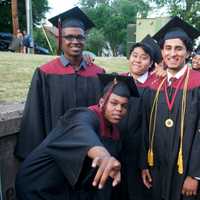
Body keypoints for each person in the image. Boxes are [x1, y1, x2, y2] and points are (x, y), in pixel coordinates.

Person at [15, 74, 139, 200]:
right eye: (114, 103)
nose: (119, 109)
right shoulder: (83, 116)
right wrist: (103, 156)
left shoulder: (114, 132)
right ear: (102, 102)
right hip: (38, 183)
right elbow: (82, 131)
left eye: (124, 106)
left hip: (63, 187)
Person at [15, 7, 105, 160]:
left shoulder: (98, 74)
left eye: (80, 37)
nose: (75, 41)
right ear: (60, 39)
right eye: (69, 37)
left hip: (91, 156)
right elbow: (35, 116)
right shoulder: (45, 73)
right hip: (55, 154)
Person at [141, 16, 200, 200]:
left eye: (179, 48)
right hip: (156, 168)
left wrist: (195, 175)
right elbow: (144, 126)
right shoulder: (153, 85)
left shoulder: (197, 83)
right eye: (168, 48)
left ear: (189, 52)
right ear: (162, 51)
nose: (172, 53)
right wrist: (144, 164)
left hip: (186, 174)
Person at [119, 35, 162, 200]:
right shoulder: (118, 80)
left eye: (144, 58)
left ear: (151, 63)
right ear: (129, 57)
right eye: (135, 56)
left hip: (144, 152)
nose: (138, 60)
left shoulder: (157, 85)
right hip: (118, 149)